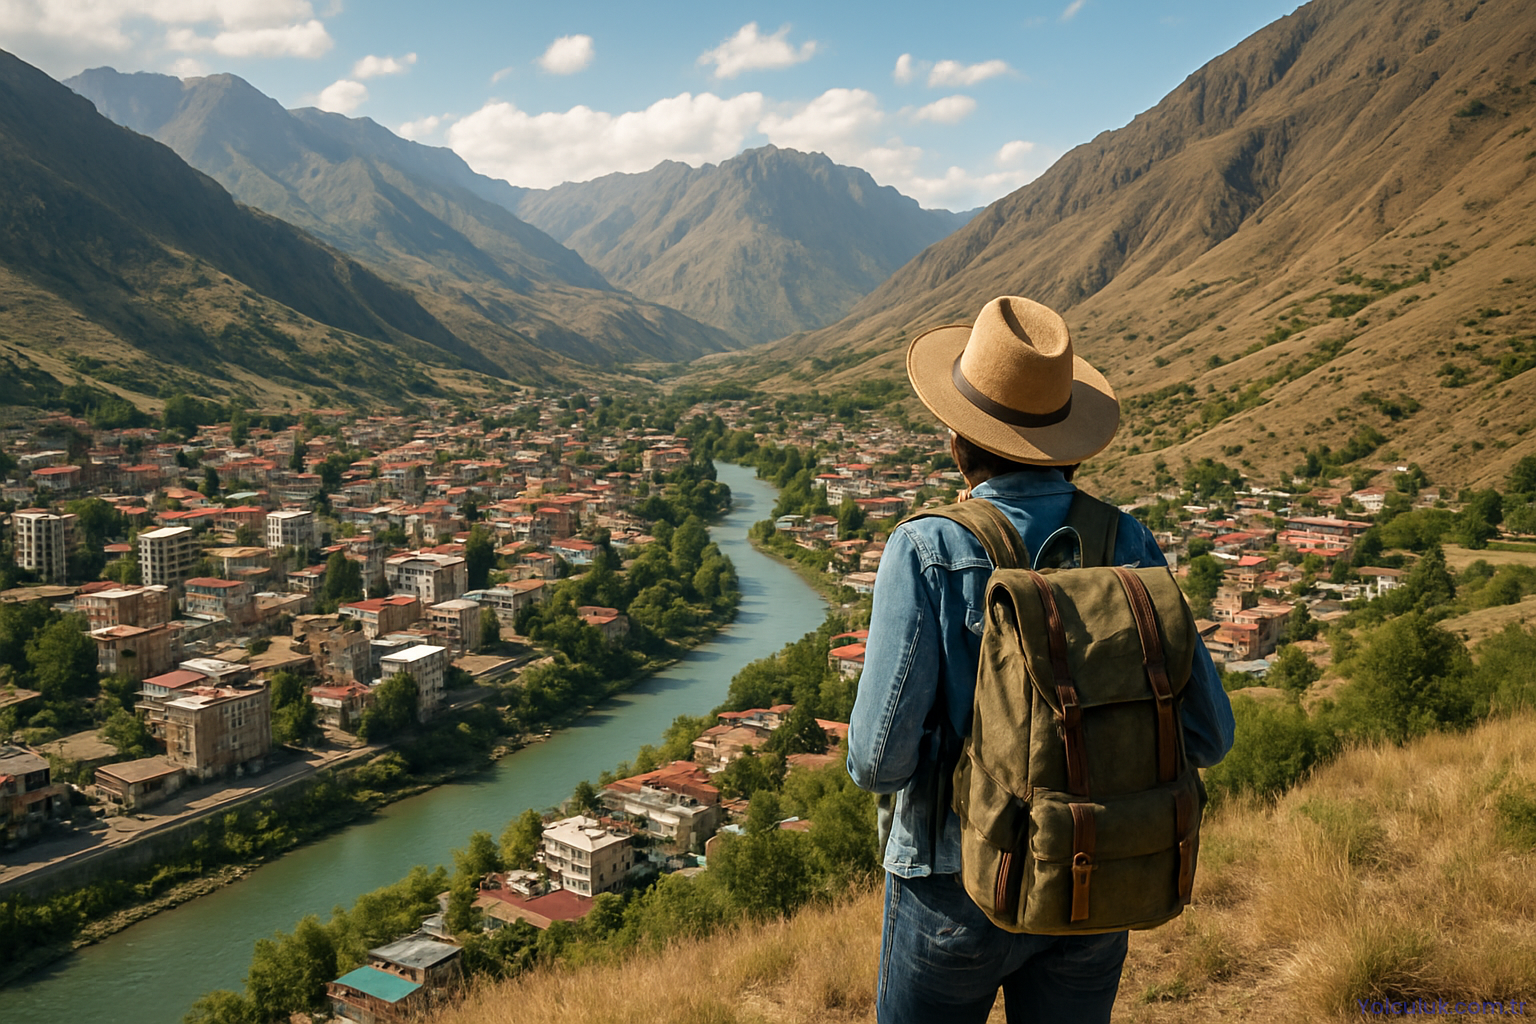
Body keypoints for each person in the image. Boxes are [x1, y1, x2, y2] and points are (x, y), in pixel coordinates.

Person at [847, 295, 1235, 1024]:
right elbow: (1211, 736)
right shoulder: (1129, 544)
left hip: (950, 882)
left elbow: (877, 762)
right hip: (1093, 873)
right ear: (1068, 440)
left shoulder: (927, 548)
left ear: (958, 437)